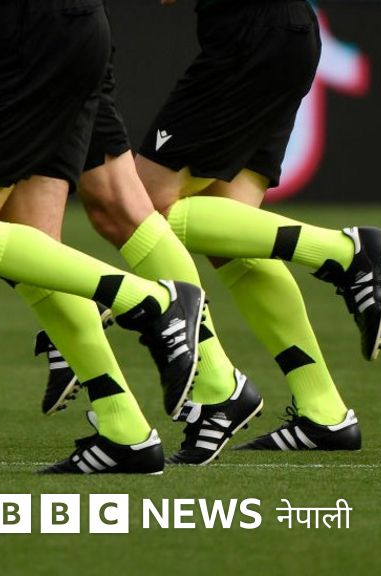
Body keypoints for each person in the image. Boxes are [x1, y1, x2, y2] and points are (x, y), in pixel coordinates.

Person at [136, 0, 381, 451]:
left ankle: (342, 252)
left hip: (250, 33)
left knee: (141, 206)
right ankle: (324, 411)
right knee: (231, 237)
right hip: (284, 31)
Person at [0, 0, 205, 474]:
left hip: (29, 33)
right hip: (70, 29)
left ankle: (153, 301)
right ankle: (125, 432)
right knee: (33, 248)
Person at [31, 47, 264, 468]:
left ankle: (135, 305)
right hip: (69, 37)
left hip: (36, 41)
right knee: (114, 209)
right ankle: (181, 397)